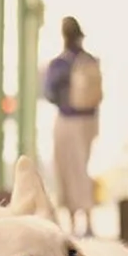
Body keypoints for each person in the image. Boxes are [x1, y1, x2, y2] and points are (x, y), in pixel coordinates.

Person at [43, 16, 103, 237]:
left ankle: (70, 222)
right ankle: (88, 221)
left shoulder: (60, 64)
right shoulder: (90, 60)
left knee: (66, 170)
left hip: (67, 120)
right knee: (83, 169)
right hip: (89, 121)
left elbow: (49, 92)